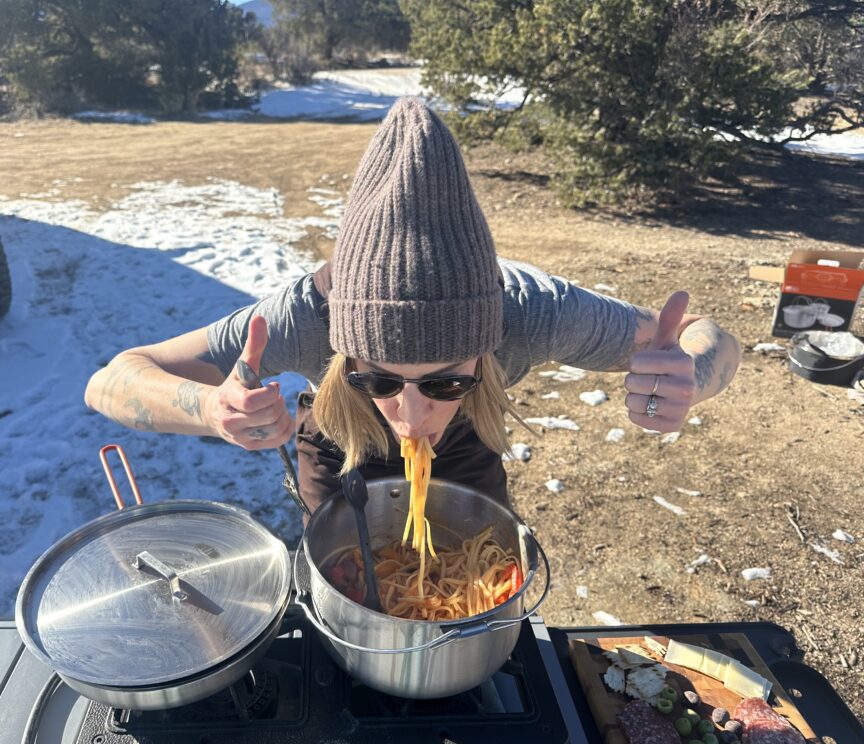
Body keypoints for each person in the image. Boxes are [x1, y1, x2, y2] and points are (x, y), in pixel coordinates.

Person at [84, 97, 741, 515]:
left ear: (487, 342)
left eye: (447, 382)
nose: (412, 416)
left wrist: (693, 374)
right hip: (339, 448)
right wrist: (210, 408)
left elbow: (707, 334)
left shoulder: (533, 312)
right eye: (377, 380)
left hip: (470, 451)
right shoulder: (306, 317)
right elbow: (111, 381)